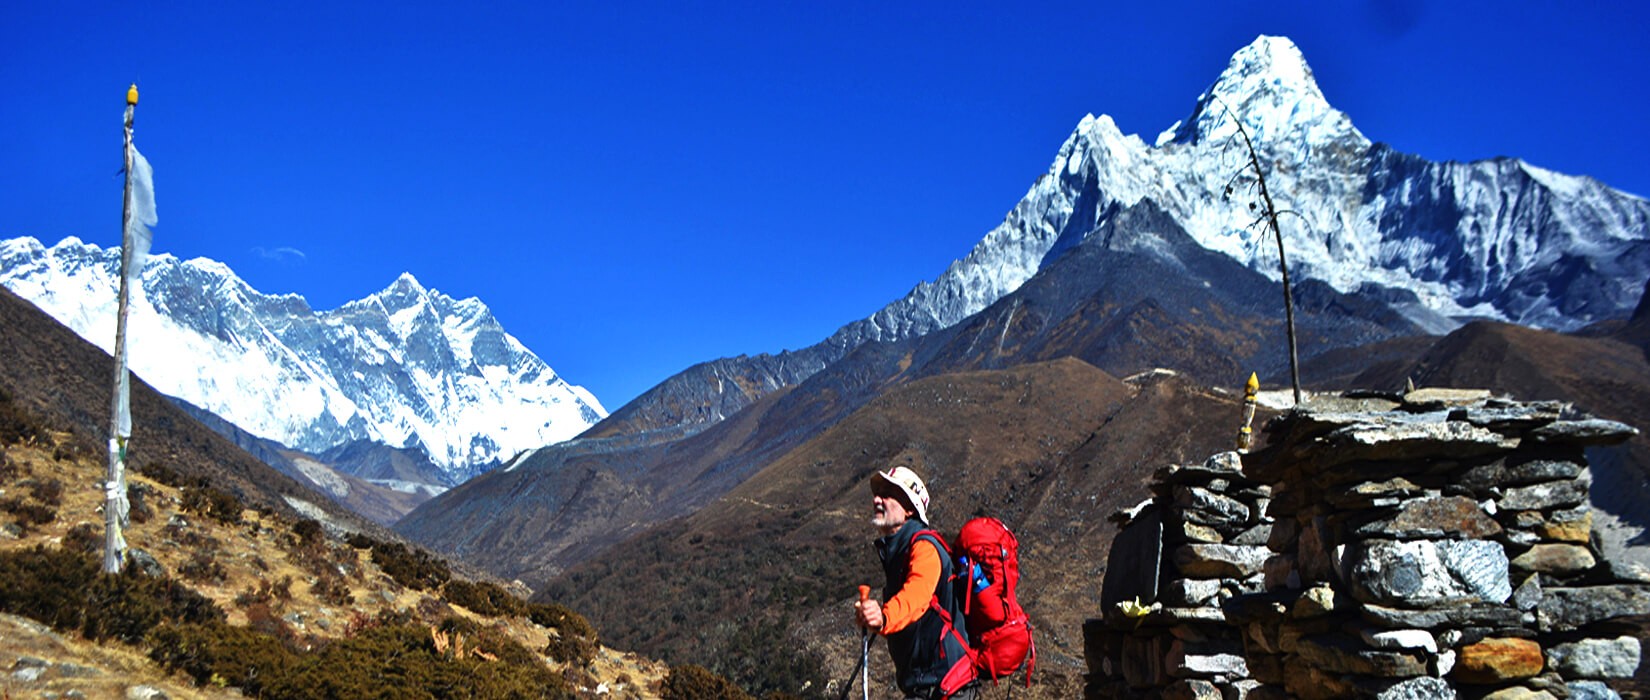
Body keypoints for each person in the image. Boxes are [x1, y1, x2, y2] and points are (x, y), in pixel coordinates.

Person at [854, 466, 977, 700]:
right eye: (877, 493)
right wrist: (878, 621)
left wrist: (884, 617)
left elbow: (917, 596)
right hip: (933, 688)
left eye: (888, 494)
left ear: (910, 509)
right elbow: (914, 621)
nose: (877, 499)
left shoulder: (924, 548)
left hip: (945, 688)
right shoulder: (900, 551)